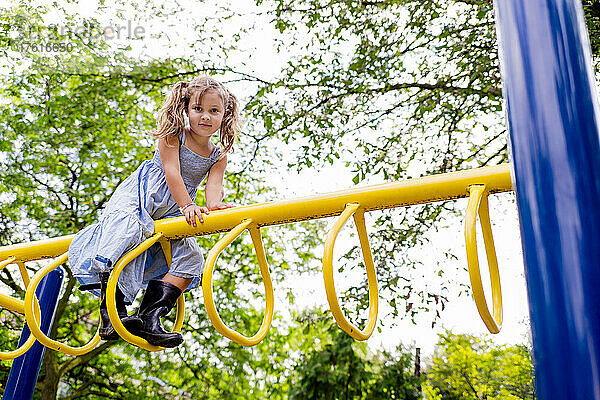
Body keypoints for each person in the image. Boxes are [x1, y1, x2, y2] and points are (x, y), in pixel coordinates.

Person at [69, 76, 240, 347]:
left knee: (192, 258)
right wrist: (187, 205)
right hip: (144, 198)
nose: (205, 117)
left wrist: (214, 205)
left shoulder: (218, 155)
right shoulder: (174, 136)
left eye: (213, 111)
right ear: (186, 110)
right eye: (198, 109)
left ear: (224, 114)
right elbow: (171, 173)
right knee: (128, 234)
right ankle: (111, 315)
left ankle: (150, 317)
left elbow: (213, 187)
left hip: (174, 209)